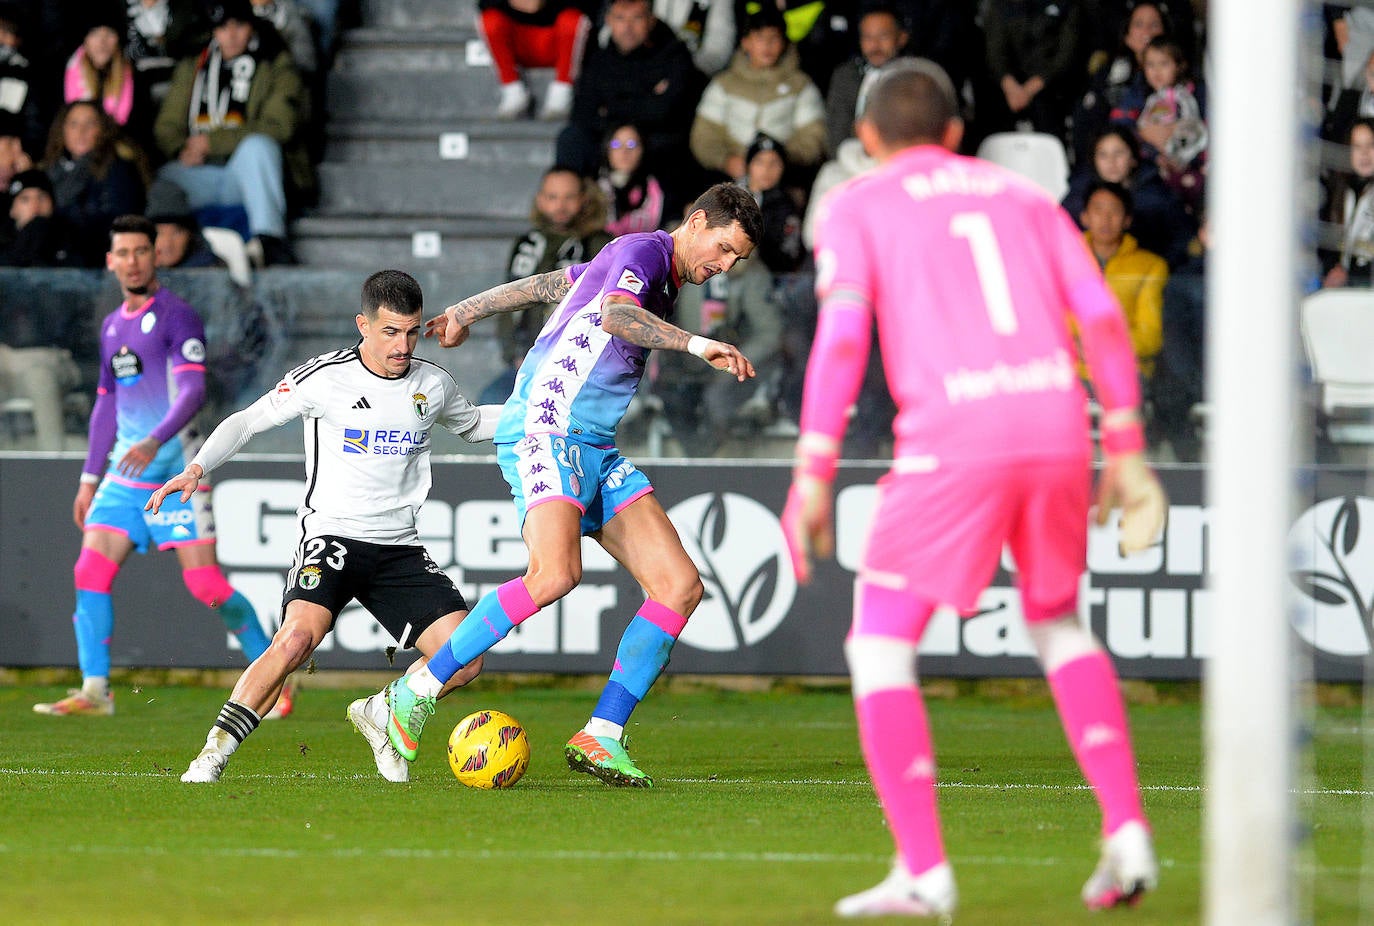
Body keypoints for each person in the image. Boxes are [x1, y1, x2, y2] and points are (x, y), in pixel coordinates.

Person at [781, 62, 1165, 917]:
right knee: (1059, 622)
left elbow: (843, 341)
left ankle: (923, 870)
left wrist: (812, 472)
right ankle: (1128, 828)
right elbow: (1102, 318)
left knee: (880, 642)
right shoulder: (1022, 195)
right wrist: (1128, 447)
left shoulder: (859, 205)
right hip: (1060, 424)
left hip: (955, 434)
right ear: (957, 132)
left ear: (867, 140)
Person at [376, 182, 763, 786]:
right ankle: (413, 693)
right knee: (554, 573)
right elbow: (614, 315)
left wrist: (466, 311)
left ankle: (602, 734)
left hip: (593, 445)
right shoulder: (645, 253)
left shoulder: (635, 263)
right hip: (548, 429)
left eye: (738, 260)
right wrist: (695, 343)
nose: (725, 266)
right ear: (695, 222)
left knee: (679, 587)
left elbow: (554, 285)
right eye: (723, 248)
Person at [147, 269, 499, 783]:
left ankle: (384, 711)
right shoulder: (326, 378)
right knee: (294, 641)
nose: (402, 345)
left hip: (398, 547)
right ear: (363, 325)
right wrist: (197, 468)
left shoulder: (432, 383)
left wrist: (544, 414)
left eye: (410, 331)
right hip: (332, 536)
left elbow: (473, 425)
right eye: (389, 332)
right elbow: (247, 421)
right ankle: (213, 753)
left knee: (466, 659)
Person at [32, 214, 275, 717]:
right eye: (123, 253)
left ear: (156, 256)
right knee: (89, 571)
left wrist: (153, 439)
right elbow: (105, 403)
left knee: (205, 587)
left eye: (142, 251)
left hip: (174, 472)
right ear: (110, 261)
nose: (133, 261)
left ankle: (271, 675)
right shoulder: (112, 324)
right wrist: (88, 478)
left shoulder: (176, 315)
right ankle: (95, 691)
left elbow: (192, 389)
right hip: (123, 479)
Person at [153, 0, 311, 267]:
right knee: (165, 179)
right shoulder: (195, 63)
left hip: (248, 175)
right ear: (213, 31)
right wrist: (182, 149)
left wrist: (211, 142)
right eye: (222, 28)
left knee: (259, 147)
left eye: (239, 26)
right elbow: (166, 126)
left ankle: (269, 240)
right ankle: (175, 252)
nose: (231, 34)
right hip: (200, 171)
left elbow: (279, 125)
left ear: (251, 27)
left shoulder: (275, 61)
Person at [555, 0, 704, 212]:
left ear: (651, 21)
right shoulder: (599, 59)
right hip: (609, 140)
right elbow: (582, 114)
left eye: (636, 18)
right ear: (609, 21)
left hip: (657, 142)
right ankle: (572, 212)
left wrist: (612, 107)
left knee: (674, 150)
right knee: (572, 137)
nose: (627, 27)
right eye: (620, 18)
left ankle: (668, 224)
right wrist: (645, 101)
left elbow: (669, 111)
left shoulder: (675, 55)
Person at [480, 166, 612, 403]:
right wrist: (516, 356)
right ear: (540, 200)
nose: (560, 205)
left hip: (581, 368)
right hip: (528, 362)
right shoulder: (527, 244)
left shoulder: (601, 245)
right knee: (490, 401)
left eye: (568, 197)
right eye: (552, 197)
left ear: (583, 199)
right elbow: (507, 302)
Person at [689, 7, 827, 186]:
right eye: (760, 38)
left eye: (774, 38)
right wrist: (726, 160)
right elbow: (703, 135)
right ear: (746, 42)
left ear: (784, 43)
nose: (767, 45)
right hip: (728, 179)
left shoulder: (801, 85)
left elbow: (814, 137)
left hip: (785, 180)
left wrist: (777, 161)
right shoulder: (724, 84)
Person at [1061, 125, 1194, 269]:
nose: (1111, 162)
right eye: (1103, 155)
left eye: (1119, 153)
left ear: (1133, 158)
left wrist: (1159, 268)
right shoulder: (1076, 198)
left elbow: (1184, 240)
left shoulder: (1157, 197)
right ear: (1094, 160)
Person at [1080, 180, 1167, 384]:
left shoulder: (1151, 266)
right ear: (1084, 217)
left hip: (1126, 370)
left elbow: (1151, 336)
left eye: (1115, 211)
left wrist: (1104, 347)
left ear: (1127, 220)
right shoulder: (1062, 261)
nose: (1106, 219)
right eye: (1098, 210)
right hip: (1073, 370)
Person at [42, 100, 147, 267]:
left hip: (94, 262)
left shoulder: (118, 170)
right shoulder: (49, 171)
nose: (81, 131)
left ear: (102, 130)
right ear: (62, 130)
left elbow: (119, 224)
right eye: (74, 124)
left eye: (90, 124)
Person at [477, 0, 594, 120]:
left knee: (573, 20)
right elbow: (485, 5)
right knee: (490, 21)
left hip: (556, 44)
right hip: (519, 43)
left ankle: (562, 91)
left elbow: (586, 8)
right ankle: (512, 89)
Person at [824, 4, 907, 154]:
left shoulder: (915, 78)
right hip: (850, 160)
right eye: (867, 37)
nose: (875, 45)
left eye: (883, 36)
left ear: (901, 37)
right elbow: (836, 133)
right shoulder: (846, 75)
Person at [1320, 117, 1374, 287]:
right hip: (1343, 296)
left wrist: (1349, 276)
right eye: (1356, 146)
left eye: (1370, 145)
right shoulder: (1339, 192)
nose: (1364, 153)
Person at [64, 7, 137, 126]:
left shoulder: (133, 75)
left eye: (109, 33)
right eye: (95, 33)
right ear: (85, 40)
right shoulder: (66, 72)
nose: (102, 42)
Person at [0, 167, 81, 267]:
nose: (35, 205)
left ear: (52, 204)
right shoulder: (3, 243)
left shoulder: (71, 238)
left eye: (42, 197)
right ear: (12, 210)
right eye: (25, 199)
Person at [598, 123, 668, 235]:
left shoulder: (657, 187)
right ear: (606, 148)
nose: (624, 152)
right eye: (616, 144)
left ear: (642, 149)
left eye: (632, 144)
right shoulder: (595, 186)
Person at [145, 177, 227, 269]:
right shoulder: (137, 271)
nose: (167, 244)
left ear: (191, 235)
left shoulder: (210, 269)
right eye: (159, 233)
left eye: (176, 233)